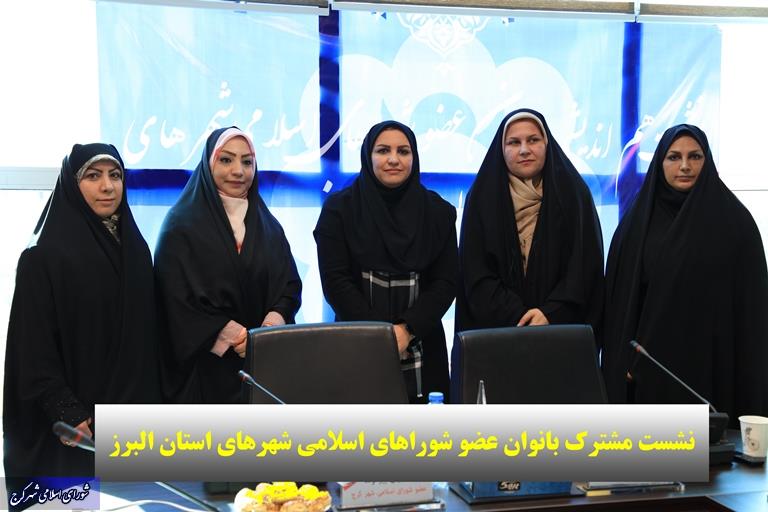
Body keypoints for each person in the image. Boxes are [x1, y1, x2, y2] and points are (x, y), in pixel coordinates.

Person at [3, 143, 160, 481]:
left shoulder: (135, 249)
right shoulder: (43, 257)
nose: (107, 186)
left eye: (115, 175)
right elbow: (32, 347)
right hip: (78, 425)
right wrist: (66, 410)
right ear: (72, 185)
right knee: (83, 500)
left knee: (138, 500)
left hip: (133, 422)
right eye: (93, 176)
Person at [602, 124, 768, 424]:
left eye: (695, 156)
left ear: (707, 161)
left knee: (709, 452)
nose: (685, 166)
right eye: (674, 157)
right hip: (649, 371)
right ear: (660, 162)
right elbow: (618, 305)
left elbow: (752, 314)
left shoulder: (736, 224)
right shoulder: (636, 224)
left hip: (712, 369)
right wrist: (619, 361)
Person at [453, 109, 604, 398]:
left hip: (561, 335)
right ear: (501, 149)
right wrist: (519, 315)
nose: (524, 149)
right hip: (496, 336)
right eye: (514, 142)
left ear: (547, 144)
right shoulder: (482, 197)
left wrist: (550, 313)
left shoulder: (574, 195)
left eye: (533, 140)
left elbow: (585, 268)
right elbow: (475, 273)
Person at [155, 127, 301, 404]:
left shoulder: (268, 226)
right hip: (203, 373)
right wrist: (235, 336)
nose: (238, 171)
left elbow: (289, 285)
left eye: (247, 162)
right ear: (209, 164)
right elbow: (173, 300)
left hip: (262, 369)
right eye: (226, 160)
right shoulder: (180, 226)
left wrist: (269, 328)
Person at [314, 120, 457, 403]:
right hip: (355, 340)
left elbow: (446, 282)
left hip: (423, 344)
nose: (393, 159)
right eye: (383, 151)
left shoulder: (438, 212)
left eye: (403, 151)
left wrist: (406, 330)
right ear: (368, 156)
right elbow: (336, 282)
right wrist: (381, 336)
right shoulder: (339, 210)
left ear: (414, 157)